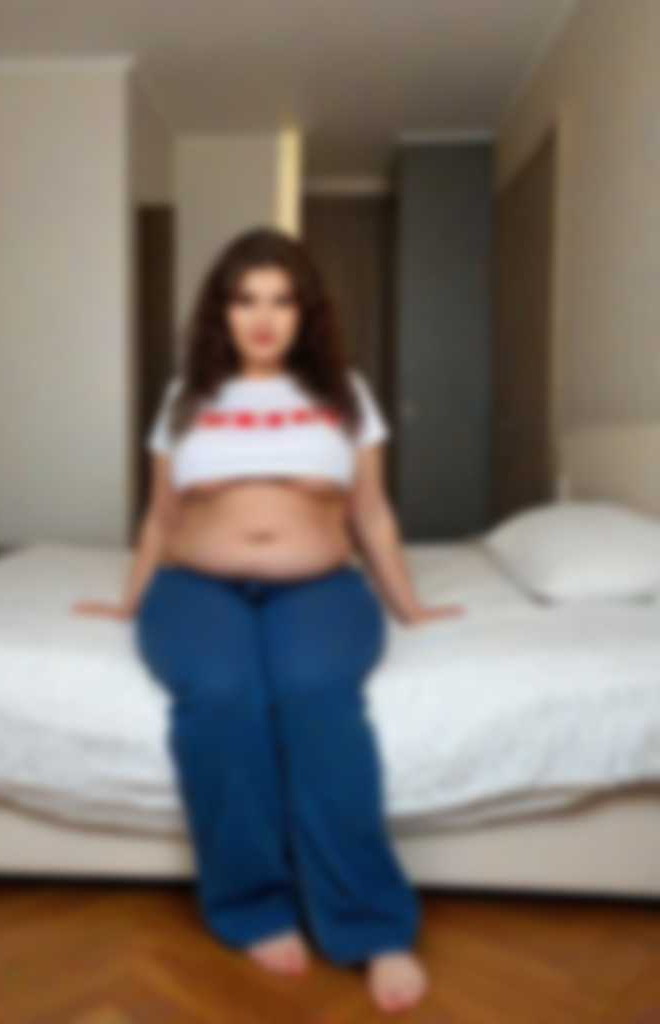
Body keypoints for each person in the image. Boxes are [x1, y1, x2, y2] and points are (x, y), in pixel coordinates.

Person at [73, 225, 464, 1014]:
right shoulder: (185, 398)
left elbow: (372, 513)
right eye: (245, 299)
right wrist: (128, 601)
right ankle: (253, 906)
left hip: (319, 588)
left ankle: (369, 922)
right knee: (222, 697)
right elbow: (161, 517)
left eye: (281, 301)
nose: (262, 317)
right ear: (219, 312)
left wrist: (410, 606)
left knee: (315, 695)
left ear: (305, 313)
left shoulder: (345, 394)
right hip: (196, 587)